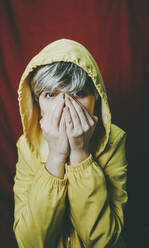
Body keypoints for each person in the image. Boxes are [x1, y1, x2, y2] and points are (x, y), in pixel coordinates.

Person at [13, 39, 128, 248]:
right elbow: (29, 243)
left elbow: (106, 242)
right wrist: (56, 156)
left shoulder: (115, 141)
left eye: (78, 94)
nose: (65, 106)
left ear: (96, 99)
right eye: (50, 94)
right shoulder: (26, 146)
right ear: (38, 103)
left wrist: (80, 153)